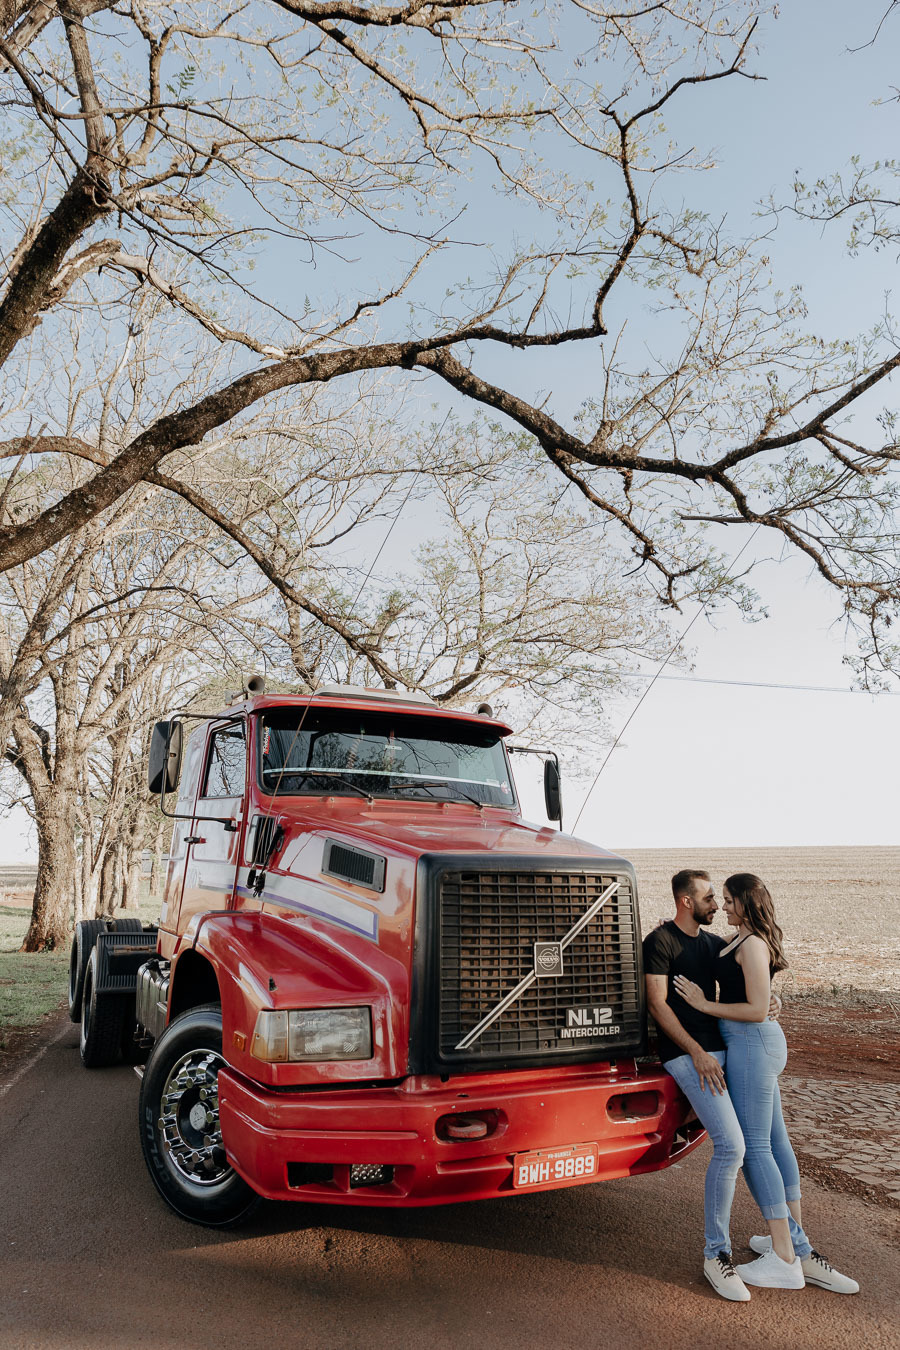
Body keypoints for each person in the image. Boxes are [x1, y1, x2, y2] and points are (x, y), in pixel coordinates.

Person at [674, 872, 858, 1296]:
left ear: (744, 902)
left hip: (752, 1044)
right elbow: (764, 997)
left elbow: (757, 1010)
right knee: (776, 1144)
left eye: (728, 900)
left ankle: (784, 1258)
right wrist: (770, 999)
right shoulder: (741, 939)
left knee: (755, 1147)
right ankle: (794, 1245)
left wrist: (706, 1005)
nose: (723, 907)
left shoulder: (753, 943)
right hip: (753, 1044)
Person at [643, 870, 751, 1301]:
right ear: (686, 901)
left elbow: (745, 985)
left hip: (723, 1051)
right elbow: (656, 1002)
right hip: (687, 1057)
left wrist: (769, 1001)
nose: (716, 905)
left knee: (757, 1143)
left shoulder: (714, 946)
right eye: (709, 897)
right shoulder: (661, 942)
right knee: (732, 1147)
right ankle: (716, 1255)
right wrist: (696, 1052)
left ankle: (787, 1244)